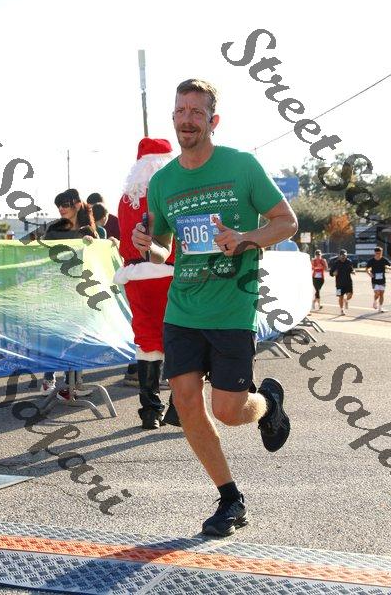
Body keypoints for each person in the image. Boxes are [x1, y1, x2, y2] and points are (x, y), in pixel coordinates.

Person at [132, 78, 298, 536]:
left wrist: (245, 238)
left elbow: (286, 221)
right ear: (174, 117)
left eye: (196, 112)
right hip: (183, 309)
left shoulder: (241, 166)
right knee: (187, 404)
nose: (187, 120)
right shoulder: (163, 181)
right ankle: (230, 498)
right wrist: (146, 243)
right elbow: (163, 250)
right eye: (180, 111)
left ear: (212, 120)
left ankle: (268, 403)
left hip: (232, 309)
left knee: (228, 410)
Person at [118, 137, 179, 430]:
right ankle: (179, 408)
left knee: (147, 340)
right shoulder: (172, 191)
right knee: (180, 338)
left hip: (136, 277)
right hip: (171, 273)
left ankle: (150, 411)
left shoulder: (126, 198)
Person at [39, 188, 98, 400]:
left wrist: (98, 243)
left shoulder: (88, 230)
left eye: (65, 204)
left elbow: (98, 255)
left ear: (77, 204)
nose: (61, 209)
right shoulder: (53, 228)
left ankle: (72, 384)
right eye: (58, 205)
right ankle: (49, 378)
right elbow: (42, 252)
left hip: (81, 291)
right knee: (54, 336)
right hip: (57, 289)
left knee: (76, 338)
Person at [329, 249, 355, 315]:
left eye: (345, 255)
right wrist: (333, 273)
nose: (344, 257)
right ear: (339, 255)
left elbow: (351, 269)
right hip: (339, 284)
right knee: (340, 297)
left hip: (348, 282)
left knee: (350, 295)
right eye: (342, 255)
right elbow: (330, 273)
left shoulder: (349, 262)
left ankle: (346, 300)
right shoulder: (336, 263)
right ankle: (341, 310)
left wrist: (353, 271)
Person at [366, 246, 391, 313]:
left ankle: (380, 308)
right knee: (377, 293)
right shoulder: (371, 261)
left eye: (380, 253)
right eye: (377, 253)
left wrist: (388, 267)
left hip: (382, 280)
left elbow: (389, 265)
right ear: (375, 253)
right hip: (375, 280)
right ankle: (375, 301)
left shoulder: (384, 260)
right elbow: (367, 269)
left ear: (381, 253)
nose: (378, 254)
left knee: (382, 294)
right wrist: (369, 273)